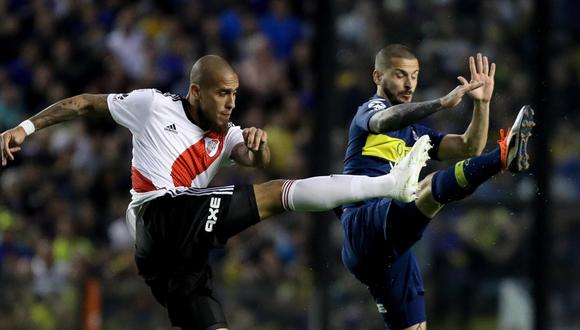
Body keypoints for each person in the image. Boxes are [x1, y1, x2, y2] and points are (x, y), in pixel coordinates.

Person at [0, 55, 437, 330]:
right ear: (196, 91)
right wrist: (24, 127)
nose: (231, 103)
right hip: (157, 214)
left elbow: (255, 161)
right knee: (273, 195)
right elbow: (85, 103)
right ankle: (387, 185)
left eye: (235, 94)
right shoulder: (153, 105)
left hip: (173, 256)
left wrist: (259, 147)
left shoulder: (228, 136)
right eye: (222, 93)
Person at [339, 44, 534, 330]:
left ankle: (503, 156)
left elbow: (469, 146)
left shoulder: (418, 134)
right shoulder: (371, 110)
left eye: (415, 76)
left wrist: (481, 104)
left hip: (394, 249)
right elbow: (383, 121)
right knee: (427, 188)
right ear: (377, 77)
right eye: (400, 75)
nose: (409, 84)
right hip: (364, 223)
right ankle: (503, 156)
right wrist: (440, 103)